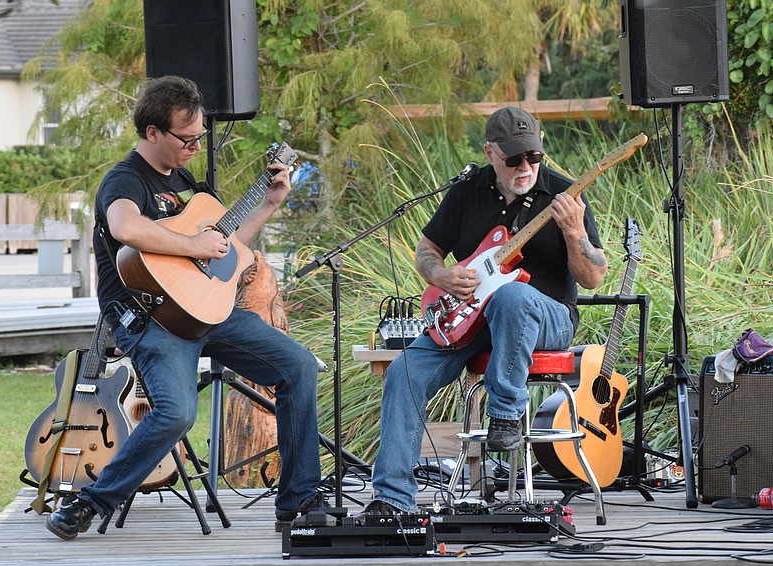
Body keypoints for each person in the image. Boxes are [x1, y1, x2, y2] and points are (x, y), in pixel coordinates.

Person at [46, 75, 325, 539]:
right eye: (187, 137)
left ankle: (297, 503)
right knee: (176, 413)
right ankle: (88, 501)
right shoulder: (125, 179)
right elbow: (125, 228)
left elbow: (224, 248)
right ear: (152, 132)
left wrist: (269, 205)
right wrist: (191, 241)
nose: (196, 145)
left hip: (204, 311)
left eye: (200, 136)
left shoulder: (186, 185)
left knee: (298, 366)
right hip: (151, 318)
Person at [363, 106, 608, 515]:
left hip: (546, 317)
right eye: (513, 159)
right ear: (490, 152)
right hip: (471, 315)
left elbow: (593, 278)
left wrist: (573, 230)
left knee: (513, 297)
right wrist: (440, 276)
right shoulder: (466, 192)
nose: (526, 166)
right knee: (405, 370)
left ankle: (506, 413)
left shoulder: (565, 196)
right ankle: (391, 500)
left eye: (533, 156)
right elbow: (428, 249)